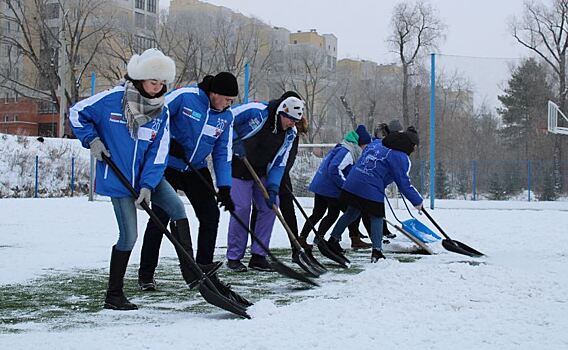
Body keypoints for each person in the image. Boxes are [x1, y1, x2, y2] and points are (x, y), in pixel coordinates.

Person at [70, 48, 185, 310]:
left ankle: (191, 270)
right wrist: (92, 139)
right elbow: (77, 113)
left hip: (148, 178)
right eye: (152, 81)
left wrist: (147, 185)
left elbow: (159, 152)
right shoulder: (113, 100)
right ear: (140, 78)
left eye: (161, 83)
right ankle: (114, 294)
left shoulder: (162, 111)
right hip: (119, 181)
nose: (157, 88)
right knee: (128, 236)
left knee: (177, 208)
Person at [137, 72, 238, 293]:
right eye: (228, 99)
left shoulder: (226, 117)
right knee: (160, 218)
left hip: (195, 168)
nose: (229, 105)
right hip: (168, 165)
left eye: (232, 101)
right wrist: (169, 141)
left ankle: (202, 268)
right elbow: (156, 116)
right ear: (215, 93)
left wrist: (225, 187)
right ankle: (146, 274)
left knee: (211, 214)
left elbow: (223, 153)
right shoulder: (185, 97)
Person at [227, 94, 305, 272]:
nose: (292, 124)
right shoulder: (256, 111)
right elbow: (226, 118)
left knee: (271, 206)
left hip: (261, 171)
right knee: (242, 209)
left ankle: (258, 255)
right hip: (238, 167)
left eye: (295, 121)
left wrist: (273, 187)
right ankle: (234, 256)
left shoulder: (290, 134)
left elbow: (280, 163)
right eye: (290, 119)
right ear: (281, 113)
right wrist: (235, 140)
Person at [326, 126, 423, 262]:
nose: (414, 149)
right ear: (408, 144)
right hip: (369, 187)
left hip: (352, 182)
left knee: (352, 212)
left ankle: (333, 239)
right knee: (377, 217)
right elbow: (404, 183)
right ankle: (377, 251)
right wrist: (417, 201)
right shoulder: (400, 157)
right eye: (414, 146)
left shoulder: (377, 143)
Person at [250, 92, 309, 261]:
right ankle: (257, 248)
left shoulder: (293, 130)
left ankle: (296, 248)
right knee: (260, 208)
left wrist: (281, 176)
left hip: (280, 174)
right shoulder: (273, 121)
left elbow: (289, 155)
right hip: (266, 173)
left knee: (288, 210)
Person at [298, 125, 373, 249]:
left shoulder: (344, 147)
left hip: (321, 185)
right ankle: (352, 239)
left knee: (320, 213)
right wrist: (345, 186)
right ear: (361, 144)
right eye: (366, 146)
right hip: (330, 188)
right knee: (351, 211)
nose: (366, 149)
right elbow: (334, 168)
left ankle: (305, 238)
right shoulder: (348, 151)